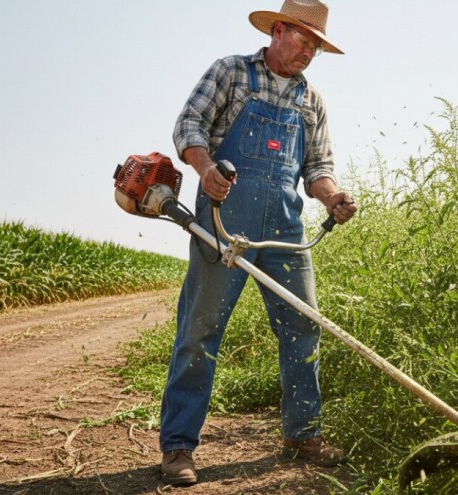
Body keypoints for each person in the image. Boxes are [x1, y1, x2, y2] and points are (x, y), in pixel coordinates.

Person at [159, 0, 357, 486]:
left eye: (316, 46)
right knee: (201, 330)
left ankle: (302, 433)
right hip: (225, 219)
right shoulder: (231, 72)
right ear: (279, 30)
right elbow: (188, 127)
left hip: (285, 229)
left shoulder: (311, 101)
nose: (308, 52)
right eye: (303, 40)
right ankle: (178, 446)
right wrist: (206, 170)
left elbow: (317, 170)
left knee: (303, 325)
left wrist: (333, 198)